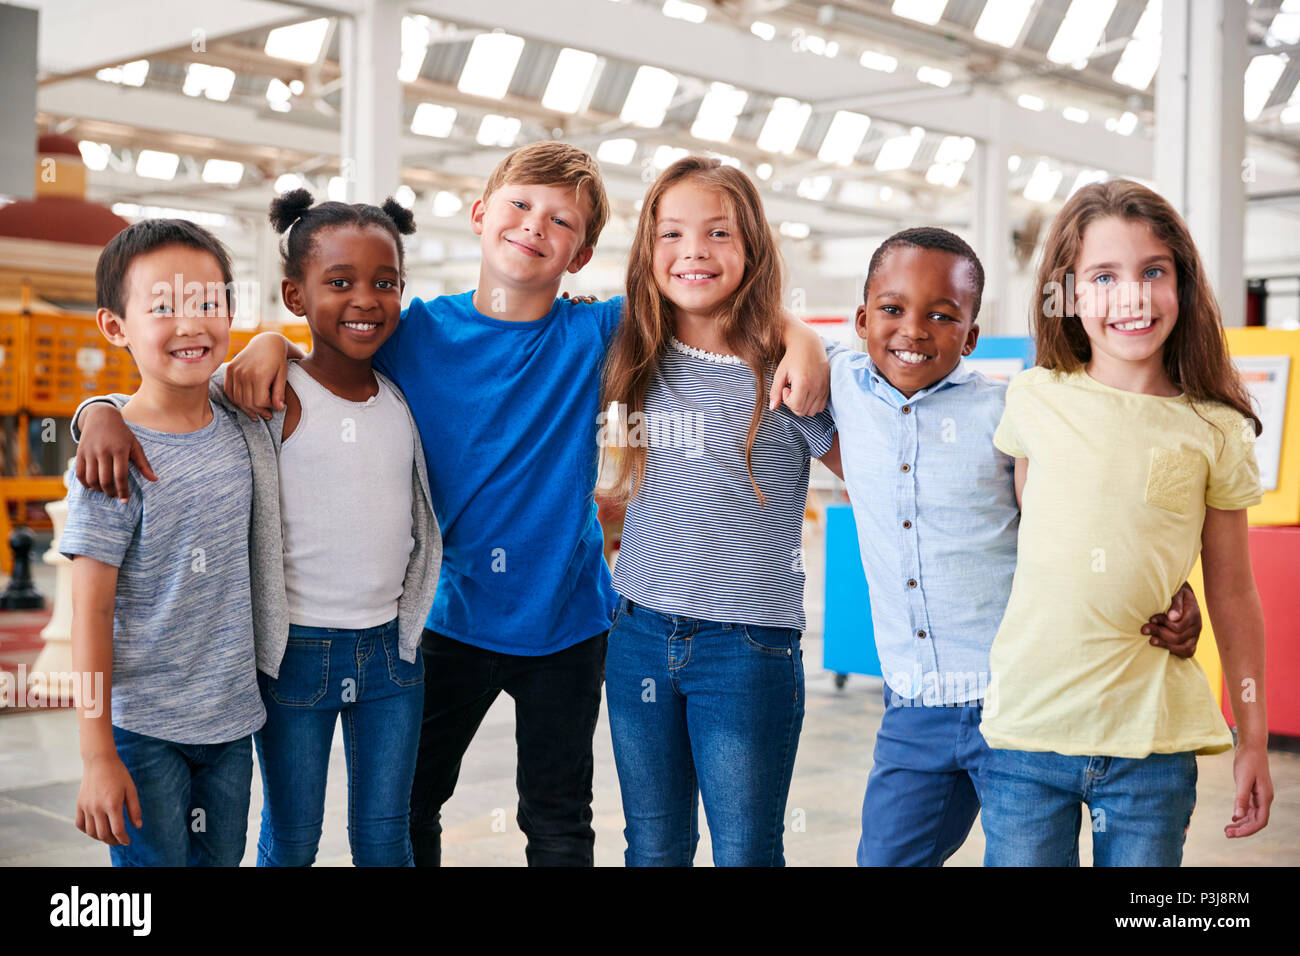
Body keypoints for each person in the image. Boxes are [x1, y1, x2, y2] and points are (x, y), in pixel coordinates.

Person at [211, 141, 832, 866]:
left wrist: (802, 339)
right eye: (520, 206)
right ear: (480, 215)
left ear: (581, 253)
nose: (535, 225)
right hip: (447, 620)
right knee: (410, 803)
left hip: (567, 625)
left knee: (559, 817)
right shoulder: (413, 337)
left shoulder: (598, 334)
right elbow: (332, 340)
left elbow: (704, 298)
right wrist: (268, 347)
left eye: (560, 221)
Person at [70, 192, 441, 866]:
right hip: (271, 664)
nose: (364, 298)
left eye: (385, 284)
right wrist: (97, 411)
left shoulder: (399, 389)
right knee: (288, 840)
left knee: (383, 836)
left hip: (362, 663)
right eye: (340, 282)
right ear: (295, 294)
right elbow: (167, 397)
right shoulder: (256, 406)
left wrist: (270, 338)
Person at [827, 226, 1205, 866]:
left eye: (942, 316)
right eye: (892, 310)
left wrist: (1171, 588)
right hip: (914, 704)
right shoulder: (841, 390)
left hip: (1019, 701)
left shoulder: (1009, 410)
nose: (913, 330)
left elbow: (1083, 517)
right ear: (862, 319)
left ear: (971, 335)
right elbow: (772, 332)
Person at [979, 180, 1273, 866]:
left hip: (1151, 746)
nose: (1133, 297)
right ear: (1070, 293)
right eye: (1104, 276)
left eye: (1153, 272)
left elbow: (1233, 592)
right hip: (1029, 735)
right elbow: (1037, 537)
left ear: (1183, 285)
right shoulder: (1034, 398)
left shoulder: (1217, 426)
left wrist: (1252, 737)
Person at [600, 157, 837, 866]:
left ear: (753, 248)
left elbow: (880, 481)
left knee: (745, 850)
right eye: (671, 233)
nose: (693, 251)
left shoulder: (787, 374)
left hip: (747, 648)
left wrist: (805, 337)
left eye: (717, 233)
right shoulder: (627, 351)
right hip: (637, 631)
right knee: (652, 846)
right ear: (648, 250)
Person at [62, 219, 264, 865]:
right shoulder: (110, 460)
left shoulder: (241, 414)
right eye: (162, 308)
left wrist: (271, 345)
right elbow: (88, 613)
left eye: (209, 302)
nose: (191, 324)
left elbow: (298, 360)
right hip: (142, 728)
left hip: (233, 723)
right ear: (115, 327)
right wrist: (96, 754)